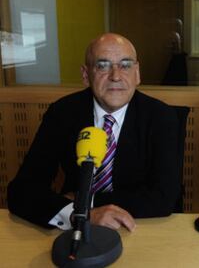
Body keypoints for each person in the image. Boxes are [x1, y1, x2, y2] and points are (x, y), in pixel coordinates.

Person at [7, 33, 181, 232]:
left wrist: (85, 201)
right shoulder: (63, 113)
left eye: (125, 65)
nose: (115, 76)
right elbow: (21, 190)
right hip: (74, 230)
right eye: (103, 65)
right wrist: (75, 215)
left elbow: (165, 197)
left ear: (137, 73)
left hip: (139, 228)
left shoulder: (161, 117)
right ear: (85, 75)